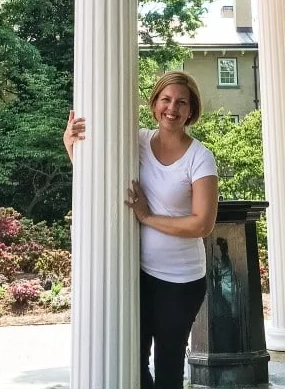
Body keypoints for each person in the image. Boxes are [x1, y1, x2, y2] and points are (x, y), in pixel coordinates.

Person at [64, 70, 219, 389]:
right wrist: (72, 145)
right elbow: (100, 177)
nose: (172, 108)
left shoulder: (200, 158)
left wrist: (147, 217)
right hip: (137, 274)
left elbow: (202, 223)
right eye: (166, 99)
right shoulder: (137, 141)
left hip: (180, 282)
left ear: (191, 111)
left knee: (168, 368)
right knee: (131, 361)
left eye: (181, 102)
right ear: (154, 104)